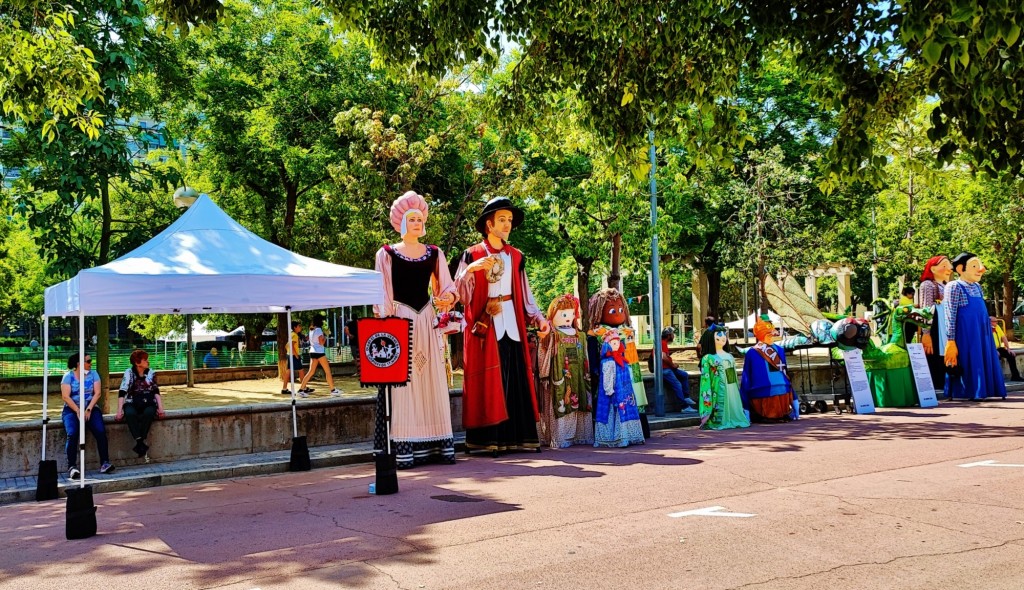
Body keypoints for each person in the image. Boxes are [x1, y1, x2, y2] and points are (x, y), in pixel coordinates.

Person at [455, 196, 550, 455]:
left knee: (515, 379)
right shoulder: (472, 254)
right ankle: (487, 441)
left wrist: (539, 318)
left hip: (512, 321)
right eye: (502, 220)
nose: (507, 225)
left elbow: (525, 294)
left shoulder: (516, 256)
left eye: (509, 220)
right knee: (489, 381)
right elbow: (460, 295)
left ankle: (517, 439)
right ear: (489, 223)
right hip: (484, 326)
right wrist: (470, 269)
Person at [374, 191, 458, 467]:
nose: (418, 223)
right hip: (400, 320)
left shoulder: (435, 253)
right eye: (412, 219)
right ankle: (405, 444)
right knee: (404, 382)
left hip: (426, 319)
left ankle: (438, 444)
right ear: (401, 222)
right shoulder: (386, 254)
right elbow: (382, 293)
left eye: (420, 219)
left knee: (430, 377)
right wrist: (386, 322)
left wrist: (447, 298)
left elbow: (445, 287)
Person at [587, 288, 650, 437]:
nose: (617, 313)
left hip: (630, 371)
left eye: (621, 309)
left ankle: (636, 429)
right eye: (611, 311)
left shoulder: (628, 331)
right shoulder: (597, 334)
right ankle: (611, 431)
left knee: (633, 398)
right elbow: (592, 355)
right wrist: (595, 370)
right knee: (611, 399)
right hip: (609, 374)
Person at [944, 252, 1007, 400]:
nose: (981, 269)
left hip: (982, 331)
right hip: (966, 332)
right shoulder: (954, 286)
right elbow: (950, 314)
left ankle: (986, 389)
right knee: (969, 357)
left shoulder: (978, 286)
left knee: (983, 356)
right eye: (974, 265)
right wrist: (950, 339)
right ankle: (969, 391)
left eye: (979, 265)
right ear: (960, 269)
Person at [538, 294, 593, 448]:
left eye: (571, 314)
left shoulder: (580, 335)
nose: (568, 318)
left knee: (580, 402)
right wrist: (544, 374)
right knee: (561, 403)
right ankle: (560, 437)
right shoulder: (552, 335)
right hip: (559, 377)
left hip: (579, 376)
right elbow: (544, 354)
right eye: (563, 314)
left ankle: (579, 435)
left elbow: (586, 356)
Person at [61, 353, 114, 478]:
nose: (91, 363)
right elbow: (65, 396)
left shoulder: (94, 374)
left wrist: (89, 409)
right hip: (71, 409)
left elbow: (97, 393)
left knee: (100, 431)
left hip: (91, 408)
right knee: (72, 433)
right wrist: (78, 410)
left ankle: (104, 463)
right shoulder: (68, 376)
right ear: (79, 363)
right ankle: (72, 466)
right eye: (88, 361)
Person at [593, 330, 645, 447]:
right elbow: (607, 377)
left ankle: (629, 435)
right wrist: (609, 390)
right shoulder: (608, 361)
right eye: (613, 343)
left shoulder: (623, 359)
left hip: (625, 391)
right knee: (612, 413)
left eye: (617, 343)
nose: (616, 345)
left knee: (626, 410)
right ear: (607, 345)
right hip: (613, 393)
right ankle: (615, 437)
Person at [739, 316, 796, 421]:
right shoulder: (778, 350)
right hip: (775, 391)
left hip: (768, 392)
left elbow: (746, 380)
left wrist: (745, 407)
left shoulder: (752, 352)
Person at [115, 349, 165, 459]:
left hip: (148, 401)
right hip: (132, 401)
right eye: (145, 360)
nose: (148, 362)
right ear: (137, 363)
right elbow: (122, 391)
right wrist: (119, 411)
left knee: (149, 412)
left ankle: (139, 441)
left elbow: (155, 390)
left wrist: (160, 407)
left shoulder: (151, 372)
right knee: (130, 413)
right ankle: (140, 441)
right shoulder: (129, 373)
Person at [698, 325, 750, 430]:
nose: (723, 337)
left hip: (731, 387)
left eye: (724, 335)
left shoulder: (729, 356)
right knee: (719, 404)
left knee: (732, 401)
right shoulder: (707, 358)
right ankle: (717, 420)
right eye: (719, 335)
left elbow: (732, 376)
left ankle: (733, 417)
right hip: (716, 388)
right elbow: (705, 379)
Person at [919, 256, 953, 390]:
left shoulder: (946, 285)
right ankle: (937, 382)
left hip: (946, 324)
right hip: (934, 326)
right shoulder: (928, 285)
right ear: (933, 268)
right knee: (934, 353)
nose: (949, 269)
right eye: (944, 265)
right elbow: (926, 309)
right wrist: (926, 332)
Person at [299, 316, 343, 396]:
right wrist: (325, 336)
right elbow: (321, 342)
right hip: (319, 352)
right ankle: (333, 390)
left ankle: (301, 389)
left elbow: (311, 340)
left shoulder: (311, 330)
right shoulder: (318, 329)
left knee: (311, 372)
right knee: (327, 371)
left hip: (312, 351)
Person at [659, 327, 697, 414]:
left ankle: (686, 397)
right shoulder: (662, 343)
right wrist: (672, 365)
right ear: (669, 335)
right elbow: (663, 357)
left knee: (684, 375)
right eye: (672, 334)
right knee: (677, 384)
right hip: (665, 369)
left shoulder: (663, 343)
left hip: (668, 368)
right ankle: (684, 406)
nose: (673, 336)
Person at [280, 321, 309, 396]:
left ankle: (284, 388)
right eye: (299, 326)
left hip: (290, 355)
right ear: (295, 327)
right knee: (301, 371)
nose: (300, 327)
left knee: (288, 371)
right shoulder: (295, 335)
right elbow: (291, 346)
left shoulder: (292, 334)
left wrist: (289, 352)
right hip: (293, 355)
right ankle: (304, 388)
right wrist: (296, 355)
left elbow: (287, 346)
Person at [991, 318, 1023, 382]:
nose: (997, 323)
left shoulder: (997, 327)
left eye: (997, 321)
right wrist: (993, 351)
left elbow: (1003, 337)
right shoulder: (986, 329)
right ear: (990, 322)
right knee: (994, 358)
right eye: (995, 321)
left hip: (998, 348)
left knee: (1011, 355)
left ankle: (1015, 376)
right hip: (990, 349)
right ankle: (996, 379)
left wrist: (1008, 349)